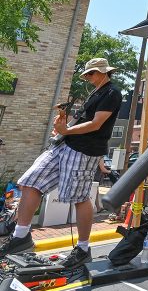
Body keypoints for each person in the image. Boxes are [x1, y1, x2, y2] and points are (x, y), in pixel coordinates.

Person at [0, 58, 122, 268]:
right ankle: (21, 236)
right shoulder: (95, 93)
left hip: (84, 151)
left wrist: (67, 130)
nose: (88, 78)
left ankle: (83, 249)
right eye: (87, 74)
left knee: (79, 197)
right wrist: (64, 126)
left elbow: (96, 124)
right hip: (63, 145)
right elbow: (82, 121)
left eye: (91, 74)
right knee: (30, 181)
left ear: (103, 72)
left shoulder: (112, 93)